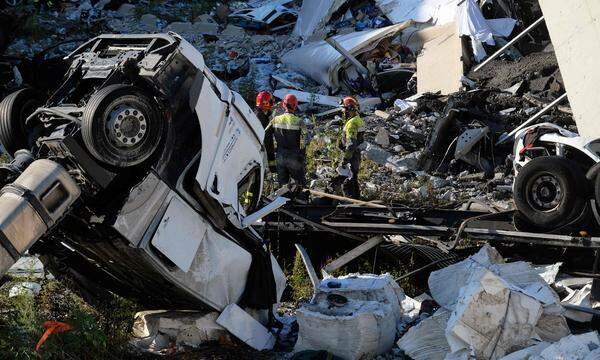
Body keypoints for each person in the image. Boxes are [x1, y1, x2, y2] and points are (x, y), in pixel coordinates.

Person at [271, 94, 305, 187]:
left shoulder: (275, 120)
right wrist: (302, 155)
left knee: (283, 187)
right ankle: (299, 201)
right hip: (294, 157)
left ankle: (285, 201)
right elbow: (306, 140)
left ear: (283, 105)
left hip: (279, 156)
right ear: (295, 105)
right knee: (299, 185)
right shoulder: (299, 121)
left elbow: (265, 134)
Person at [338, 96, 365, 199]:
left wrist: (345, 159)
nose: (342, 111)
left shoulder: (352, 123)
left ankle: (350, 206)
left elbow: (351, 144)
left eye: (343, 108)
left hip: (351, 156)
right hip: (356, 154)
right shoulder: (358, 120)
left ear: (350, 108)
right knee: (354, 180)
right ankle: (357, 202)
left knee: (347, 182)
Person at [255, 91, 277, 173]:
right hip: (263, 146)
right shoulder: (260, 118)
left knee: (271, 159)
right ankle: (269, 173)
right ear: (266, 103)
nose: (272, 103)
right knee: (266, 161)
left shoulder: (264, 113)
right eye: (270, 101)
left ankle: (273, 171)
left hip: (268, 143)